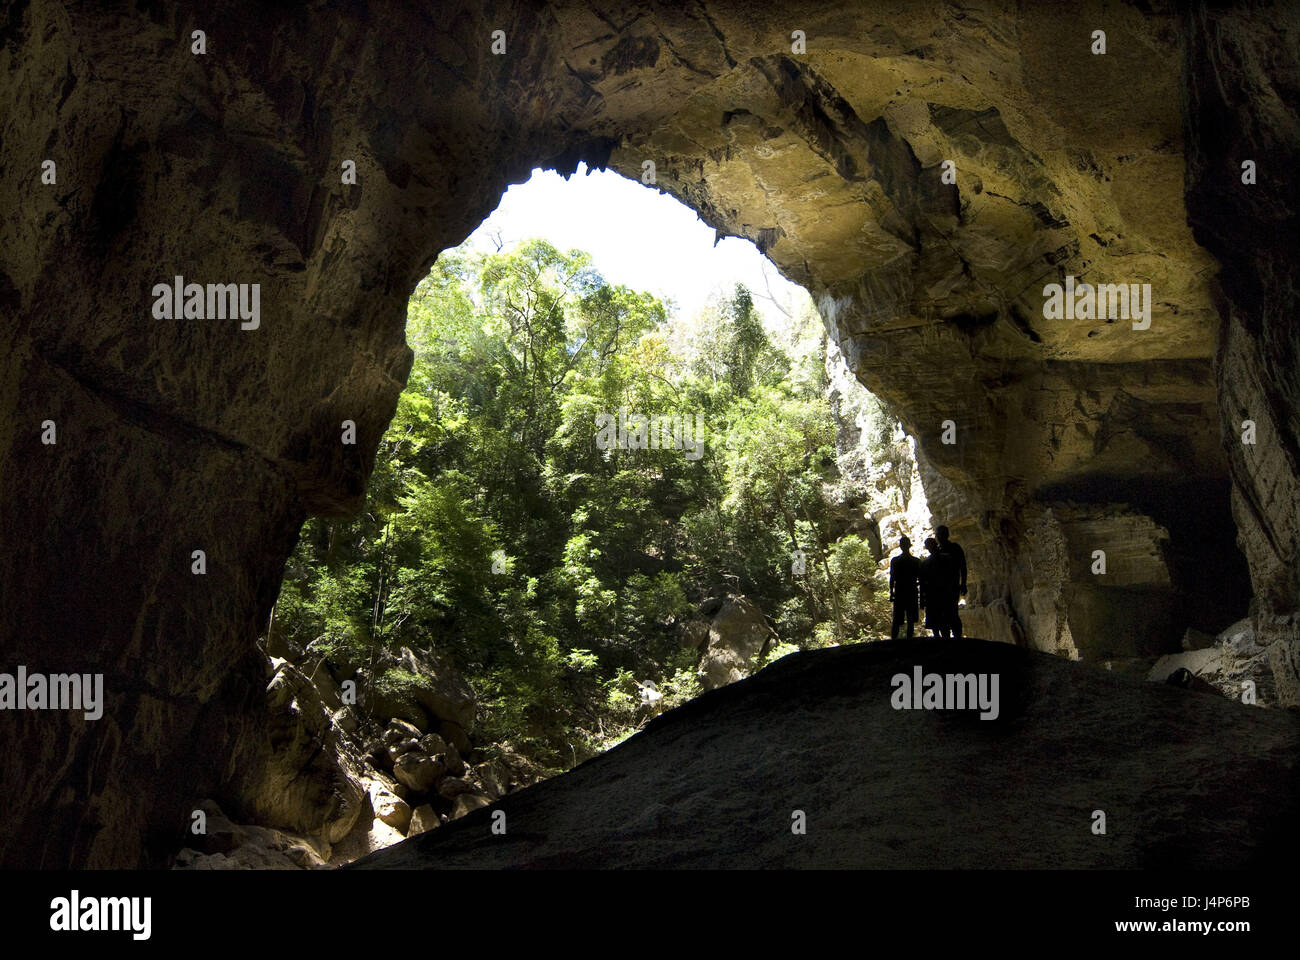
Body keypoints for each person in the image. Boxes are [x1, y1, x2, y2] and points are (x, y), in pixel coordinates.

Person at [935, 525, 967, 639]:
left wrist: (963, 583)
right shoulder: (938, 550)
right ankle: (947, 638)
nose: (939, 536)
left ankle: (956, 637)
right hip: (942, 587)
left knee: (952, 611)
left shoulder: (954, 548)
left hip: (952, 585)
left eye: (940, 534)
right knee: (945, 612)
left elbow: (963, 566)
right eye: (938, 534)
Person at [918, 537, 954, 638]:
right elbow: (952, 575)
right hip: (944, 593)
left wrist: (922, 600)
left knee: (935, 622)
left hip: (932, 595)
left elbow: (922, 583)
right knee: (945, 621)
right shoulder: (947, 558)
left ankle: (939, 642)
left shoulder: (925, 563)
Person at [888, 536, 921, 639]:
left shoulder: (895, 560)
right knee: (910, 618)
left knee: (897, 619)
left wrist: (891, 593)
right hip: (911, 590)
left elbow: (892, 578)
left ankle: (894, 641)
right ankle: (909, 641)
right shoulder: (916, 561)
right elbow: (921, 578)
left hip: (900, 591)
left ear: (901, 547)